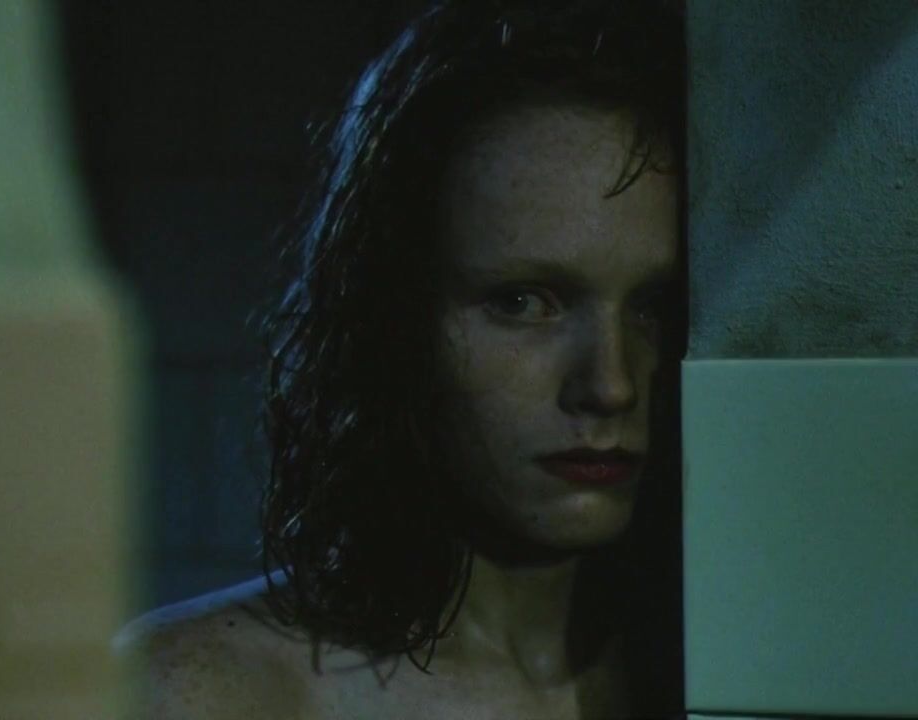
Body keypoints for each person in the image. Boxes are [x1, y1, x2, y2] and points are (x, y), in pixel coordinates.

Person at [119, 0, 686, 717]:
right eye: (522, 302)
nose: (610, 385)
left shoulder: (733, 668)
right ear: (394, 319)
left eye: (651, 307)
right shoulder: (196, 693)